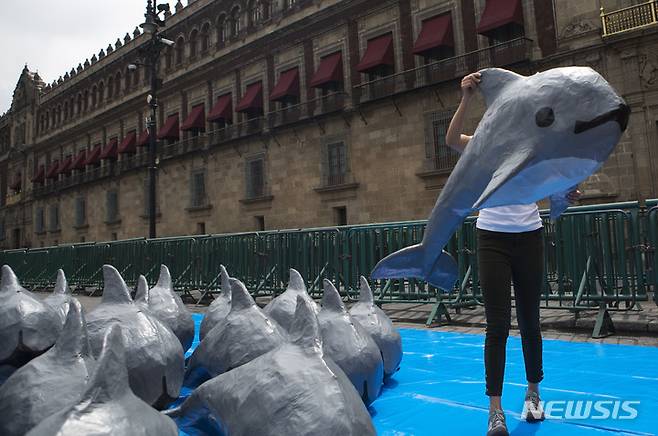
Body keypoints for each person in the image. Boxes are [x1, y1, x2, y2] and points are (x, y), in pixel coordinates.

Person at [445, 72, 580, 436]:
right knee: (498, 325)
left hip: (529, 234)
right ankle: (494, 410)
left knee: (530, 320)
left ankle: (533, 394)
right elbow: (451, 139)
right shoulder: (485, 144)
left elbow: (558, 179)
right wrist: (466, 99)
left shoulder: (537, 145)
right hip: (491, 237)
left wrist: (566, 193)